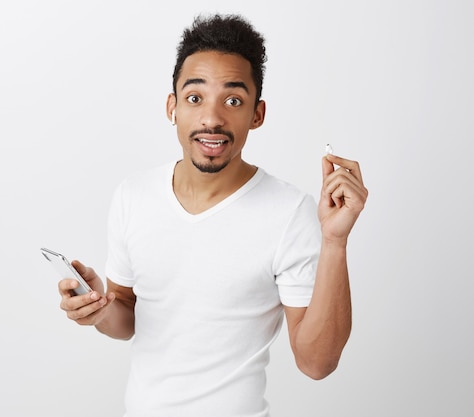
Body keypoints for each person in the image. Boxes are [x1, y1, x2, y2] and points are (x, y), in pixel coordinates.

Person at [58, 13, 368, 417]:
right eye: (194, 97)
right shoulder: (133, 196)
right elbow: (128, 320)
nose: (212, 118)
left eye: (234, 100)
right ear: (172, 107)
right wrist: (98, 310)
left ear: (257, 114)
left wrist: (335, 241)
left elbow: (317, 363)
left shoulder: (289, 212)